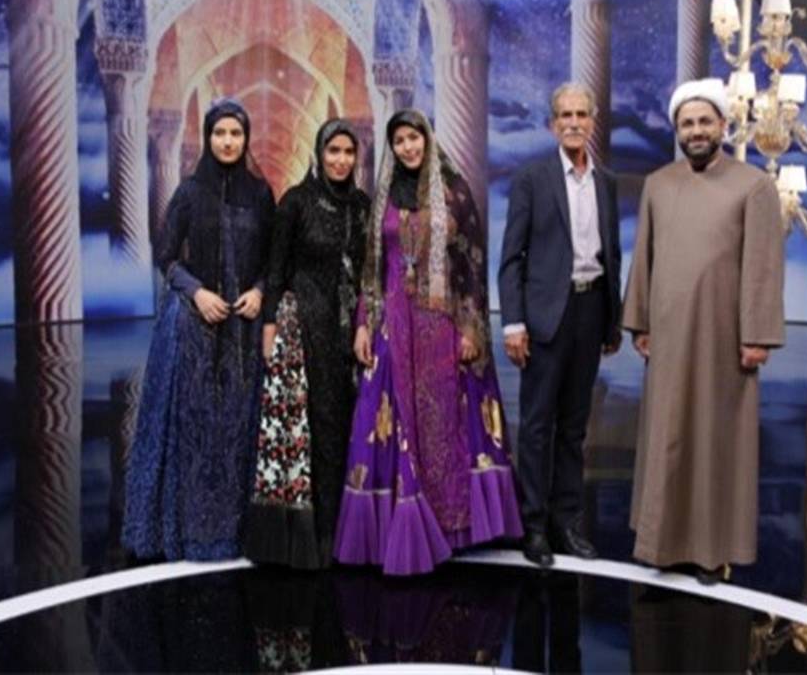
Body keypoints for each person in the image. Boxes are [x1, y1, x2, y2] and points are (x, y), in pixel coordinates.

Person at [334, 108, 522, 575]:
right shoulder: (383, 197)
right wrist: (363, 323)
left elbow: (472, 264)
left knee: (445, 423)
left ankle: (453, 527)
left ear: (427, 139)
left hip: (442, 325)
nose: (407, 147)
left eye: (413, 138)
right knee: (392, 418)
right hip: (394, 322)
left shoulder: (455, 192)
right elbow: (372, 268)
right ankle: (401, 529)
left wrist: (471, 327)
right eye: (399, 141)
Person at [622, 77, 786, 584]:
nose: (696, 131)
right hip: (668, 337)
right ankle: (661, 544)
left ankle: (713, 551)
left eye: (704, 122)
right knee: (667, 436)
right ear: (677, 130)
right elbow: (644, 257)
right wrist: (640, 321)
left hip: (722, 339)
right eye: (687, 123)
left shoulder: (753, 185)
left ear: (722, 125)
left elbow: (762, 267)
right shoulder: (658, 183)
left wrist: (756, 335)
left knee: (716, 441)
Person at [122, 98, 275, 561]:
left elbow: (273, 258)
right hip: (194, 328)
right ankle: (189, 533)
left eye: (236, 133)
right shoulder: (189, 192)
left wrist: (260, 290)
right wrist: (197, 293)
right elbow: (166, 257)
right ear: (208, 138)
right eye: (219, 133)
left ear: (246, 138)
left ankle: (238, 532)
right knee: (196, 430)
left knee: (238, 430)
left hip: (243, 331)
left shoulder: (260, 194)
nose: (227, 142)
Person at [498, 82, 622, 568]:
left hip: (591, 312)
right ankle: (533, 526)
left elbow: (612, 253)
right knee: (536, 426)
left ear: (593, 121)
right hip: (545, 316)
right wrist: (513, 323)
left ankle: (566, 522)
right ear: (553, 125)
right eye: (565, 115)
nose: (573, 122)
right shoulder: (532, 178)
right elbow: (512, 258)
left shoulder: (606, 182)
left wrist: (612, 321)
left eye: (581, 114)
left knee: (574, 426)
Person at [247, 119, 370, 568]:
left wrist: (367, 323)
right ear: (319, 153)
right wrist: (269, 330)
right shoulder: (295, 202)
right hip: (305, 330)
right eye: (333, 151)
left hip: (351, 331)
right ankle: (318, 537)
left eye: (348, 152)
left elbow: (370, 272)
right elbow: (276, 269)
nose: (341, 160)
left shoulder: (362, 205)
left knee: (350, 422)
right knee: (316, 425)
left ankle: (351, 532)